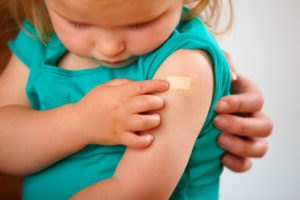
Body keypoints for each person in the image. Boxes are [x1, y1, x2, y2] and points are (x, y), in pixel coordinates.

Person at [0, 0, 273, 199]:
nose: (110, 47)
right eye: (78, 23)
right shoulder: (40, 33)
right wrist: (79, 123)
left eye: (139, 24)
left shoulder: (183, 66)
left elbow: (136, 192)